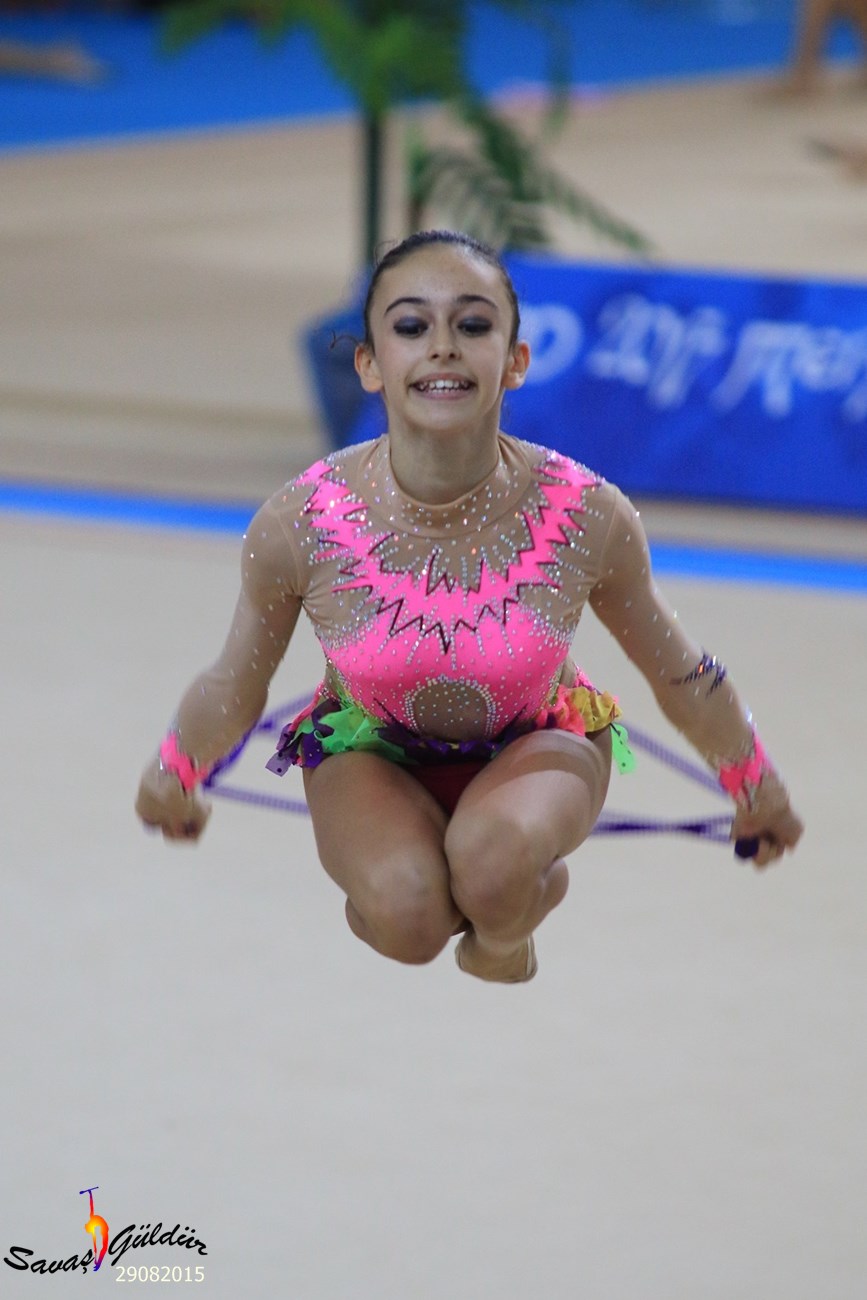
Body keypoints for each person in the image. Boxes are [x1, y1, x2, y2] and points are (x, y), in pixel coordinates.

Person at [135, 229, 804, 984]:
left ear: (515, 360)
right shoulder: (300, 523)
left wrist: (755, 782)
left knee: (492, 868)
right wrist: (175, 769)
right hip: (367, 752)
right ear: (368, 364)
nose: (442, 347)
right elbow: (235, 681)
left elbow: (681, 672)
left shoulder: (586, 512)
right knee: (408, 916)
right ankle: (442, 900)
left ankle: (505, 931)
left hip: (540, 743)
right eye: (411, 326)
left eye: (473, 324)